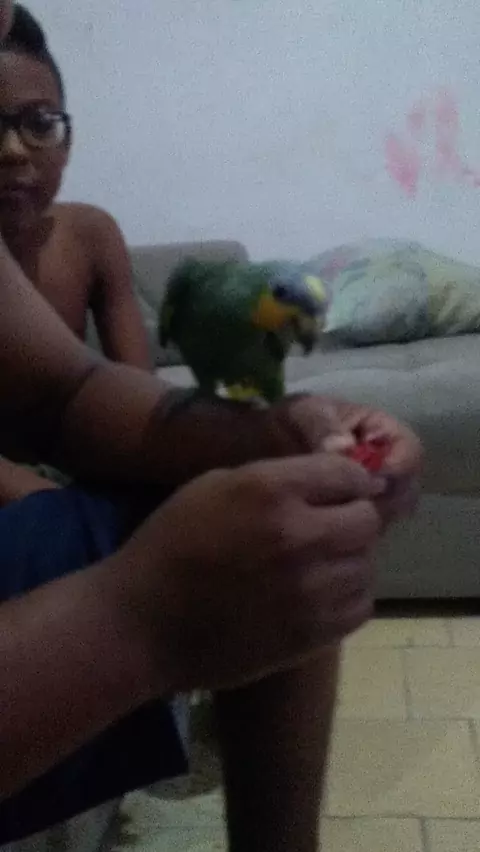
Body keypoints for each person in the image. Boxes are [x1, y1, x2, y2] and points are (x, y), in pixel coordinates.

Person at [0, 2, 422, 849]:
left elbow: (72, 393)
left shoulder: (90, 234)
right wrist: (135, 620)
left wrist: (269, 431)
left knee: (281, 516)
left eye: (40, 122)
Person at [0, 4, 151, 504]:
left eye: (40, 123)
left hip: (76, 475)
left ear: (67, 142)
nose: (14, 150)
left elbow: (137, 395)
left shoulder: (91, 236)